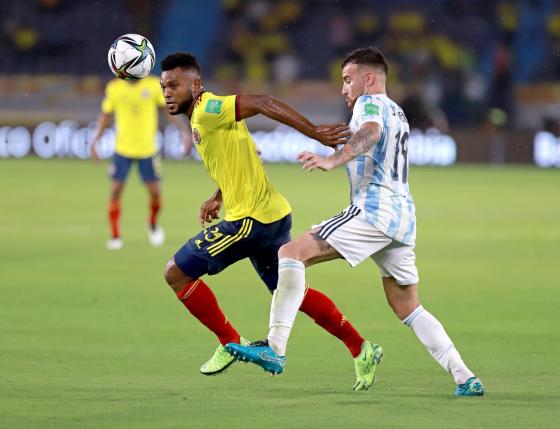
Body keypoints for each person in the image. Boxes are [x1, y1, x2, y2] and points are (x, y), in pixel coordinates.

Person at [226, 47, 484, 397]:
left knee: (290, 253)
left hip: (374, 210)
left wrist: (333, 160)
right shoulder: (400, 112)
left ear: (369, 78)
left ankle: (275, 346)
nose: (344, 89)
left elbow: (371, 133)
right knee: (407, 305)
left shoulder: (370, 103)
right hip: (403, 217)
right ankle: (464, 376)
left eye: (347, 80)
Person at [160, 52, 380, 390]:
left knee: (176, 273)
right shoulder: (205, 117)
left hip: (249, 221)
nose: (168, 93)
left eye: (174, 85)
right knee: (290, 293)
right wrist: (218, 196)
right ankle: (360, 347)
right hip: (272, 214)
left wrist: (314, 133)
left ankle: (228, 341)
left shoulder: (208, 109)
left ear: (196, 84)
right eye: (164, 87)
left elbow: (263, 101)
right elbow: (243, 154)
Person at [90, 74, 191, 250]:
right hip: (122, 149)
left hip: (148, 150)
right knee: (115, 190)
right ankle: (115, 236)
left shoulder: (153, 85)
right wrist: (95, 141)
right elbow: (105, 116)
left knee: (155, 193)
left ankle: (152, 223)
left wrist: (183, 131)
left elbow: (168, 111)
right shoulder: (114, 87)